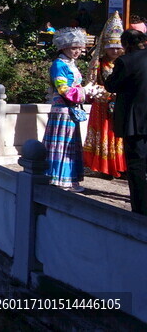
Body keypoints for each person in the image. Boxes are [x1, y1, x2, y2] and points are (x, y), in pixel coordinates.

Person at [105, 28, 147, 215]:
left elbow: (111, 85)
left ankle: (140, 208)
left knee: (136, 164)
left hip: (134, 120)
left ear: (126, 44)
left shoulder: (125, 61)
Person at [44, 28, 89, 191]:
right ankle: (59, 178)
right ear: (64, 48)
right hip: (62, 111)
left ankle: (69, 178)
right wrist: (85, 91)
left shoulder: (71, 64)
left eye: (79, 48)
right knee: (61, 146)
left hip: (70, 111)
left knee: (69, 145)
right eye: (73, 48)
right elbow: (63, 89)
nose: (77, 51)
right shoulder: (59, 64)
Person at [84, 12, 126, 178]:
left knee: (117, 135)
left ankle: (118, 166)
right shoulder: (99, 63)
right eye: (111, 47)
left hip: (119, 104)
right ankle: (102, 166)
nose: (115, 50)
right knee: (103, 132)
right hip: (102, 105)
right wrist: (104, 92)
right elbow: (91, 83)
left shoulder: (124, 63)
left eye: (118, 47)